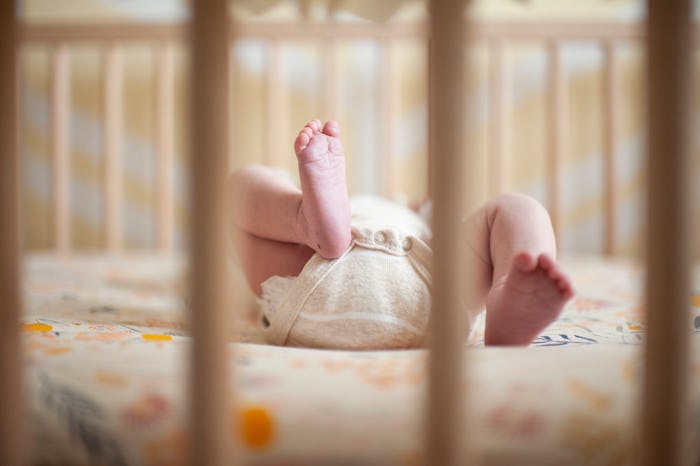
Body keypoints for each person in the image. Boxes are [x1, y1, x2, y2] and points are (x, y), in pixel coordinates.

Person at [228, 119, 574, 349]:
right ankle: (507, 283)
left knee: (239, 193)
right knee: (515, 209)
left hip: (311, 279)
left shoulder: (412, 215)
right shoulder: (421, 221)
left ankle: (303, 219)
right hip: (437, 295)